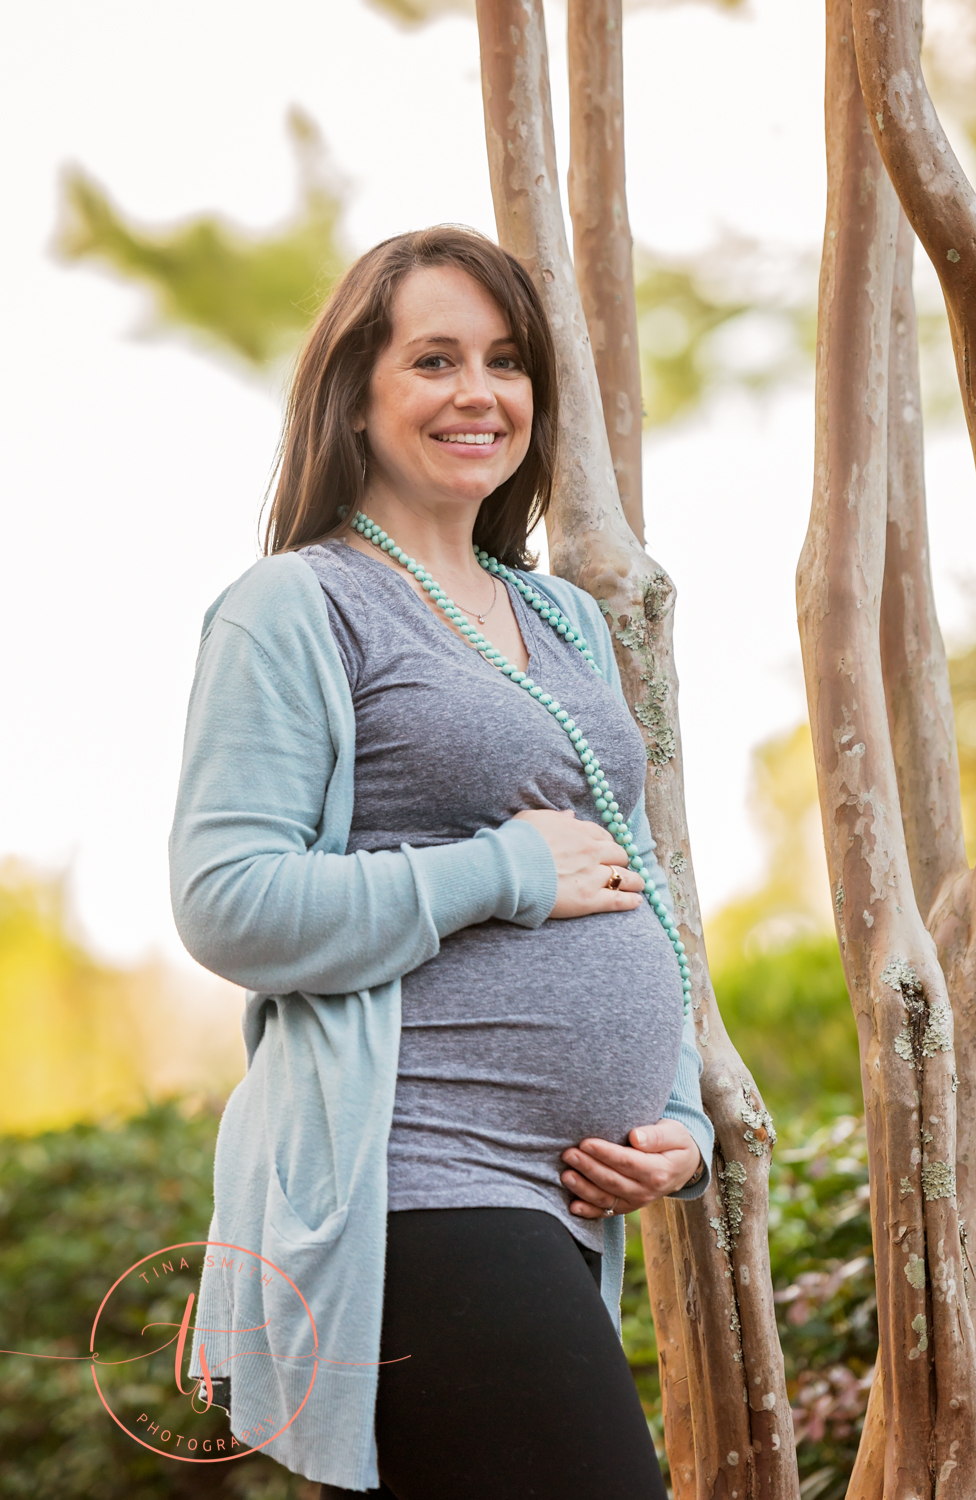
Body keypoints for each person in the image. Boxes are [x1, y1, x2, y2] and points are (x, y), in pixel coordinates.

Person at [169, 225, 713, 1499]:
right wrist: (497, 871)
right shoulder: (295, 606)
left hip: (558, 1203)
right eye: (434, 358)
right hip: (409, 1172)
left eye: (506, 361)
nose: (479, 393)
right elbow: (224, 899)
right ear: (354, 395)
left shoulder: (558, 613)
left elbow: (640, 887)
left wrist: (677, 1121)